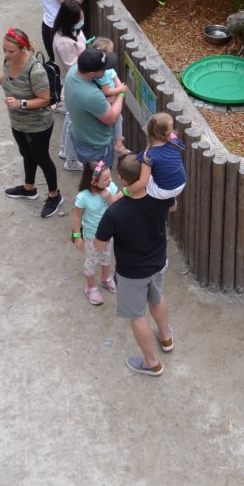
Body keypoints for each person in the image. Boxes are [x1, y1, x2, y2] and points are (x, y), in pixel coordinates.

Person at [93, 155, 174, 375]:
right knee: (157, 298)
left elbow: (99, 245)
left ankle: (151, 362)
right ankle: (165, 337)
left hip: (131, 273)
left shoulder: (115, 211)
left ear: (122, 178)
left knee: (137, 315)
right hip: (158, 262)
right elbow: (173, 206)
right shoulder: (160, 196)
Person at [0, 27, 61, 218]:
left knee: (42, 158)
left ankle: (54, 195)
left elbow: (45, 99)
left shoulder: (35, 70)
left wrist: (20, 103)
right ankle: (29, 188)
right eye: (4, 50)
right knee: (26, 154)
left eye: (11, 51)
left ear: (23, 48)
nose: (6, 54)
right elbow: (8, 79)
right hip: (18, 122)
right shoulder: (9, 61)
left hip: (37, 125)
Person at [65, 48, 126, 171]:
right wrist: (121, 93)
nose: (106, 71)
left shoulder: (73, 71)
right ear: (91, 73)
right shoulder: (92, 95)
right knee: (100, 177)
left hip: (80, 136)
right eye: (103, 69)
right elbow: (111, 118)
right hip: (96, 147)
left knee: (89, 174)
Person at [72, 159, 119, 305]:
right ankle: (90, 287)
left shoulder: (111, 188)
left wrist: (110, 198)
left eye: (110, 176)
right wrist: (77, 236)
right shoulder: (83, 197)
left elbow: (117, 208)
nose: (110, 180)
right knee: (91, 261)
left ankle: (105, 278)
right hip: (91, 237)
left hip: (108, 234)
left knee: (106, 257)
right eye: (105, 179)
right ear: (93, 182)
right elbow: (77, 216)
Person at [51, 0, 88, 172]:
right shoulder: (64, 42)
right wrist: (87, 58)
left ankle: (65, 149)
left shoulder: (71, 31)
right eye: (79, 17)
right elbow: (71, 66)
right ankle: (71, 159)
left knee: (70, 119)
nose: (82, 19)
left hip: (75, 81)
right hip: (73, 83)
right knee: (74, 123)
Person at [132, 112, 187, 207]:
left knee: (142, 175)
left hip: (164, 191)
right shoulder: (175, 143)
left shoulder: (148, 155)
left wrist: (126, 190)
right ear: (168, 133)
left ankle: (152, 205)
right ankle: (170, 202)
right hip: (181, 183)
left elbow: (142, 183)